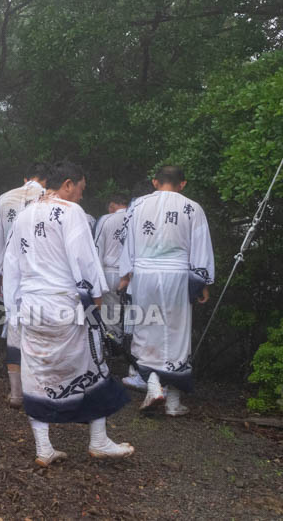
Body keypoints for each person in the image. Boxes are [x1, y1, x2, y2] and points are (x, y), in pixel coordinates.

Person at [2, 161, 133, 466]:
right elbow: (85, 261)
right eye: (81, 190)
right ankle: (98, 440)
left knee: (36, 374)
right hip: (65, 304)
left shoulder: (23, 215)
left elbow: (11, 264)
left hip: (32, 306)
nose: (81, 197)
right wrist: (96, 305)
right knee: (95, 364)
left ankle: (44, 447)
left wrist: (13, 309)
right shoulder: (71, 213)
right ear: (69, 184)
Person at [118, 165, 214, 416]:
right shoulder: (192, 207)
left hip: (145, 274)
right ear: (182, 184)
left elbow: (127, 240)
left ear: (154, 182)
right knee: (176, 333)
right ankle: (172, 401)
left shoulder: (137, 205)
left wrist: (126, 275)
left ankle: (153, 385)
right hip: (177, 275)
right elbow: (201, 246)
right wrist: (201, 281)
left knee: (146, 329)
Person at [0, 162, 49, 408]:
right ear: (47, 180)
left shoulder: (5, 198)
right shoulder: (50, 199)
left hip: (13, 273)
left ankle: (16, 393)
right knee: (42, 329)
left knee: (15, 326)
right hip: (42, 274)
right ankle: (41, 389)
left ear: (25, 178)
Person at [94, 193, 130, 338]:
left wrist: (97, 280)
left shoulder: (106, 220)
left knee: (111, 316)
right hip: (132, 274)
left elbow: (97, 249)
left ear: (112, 205)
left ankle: (115, 346)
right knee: (132, 313)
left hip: (110, 273)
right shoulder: (135, 218)